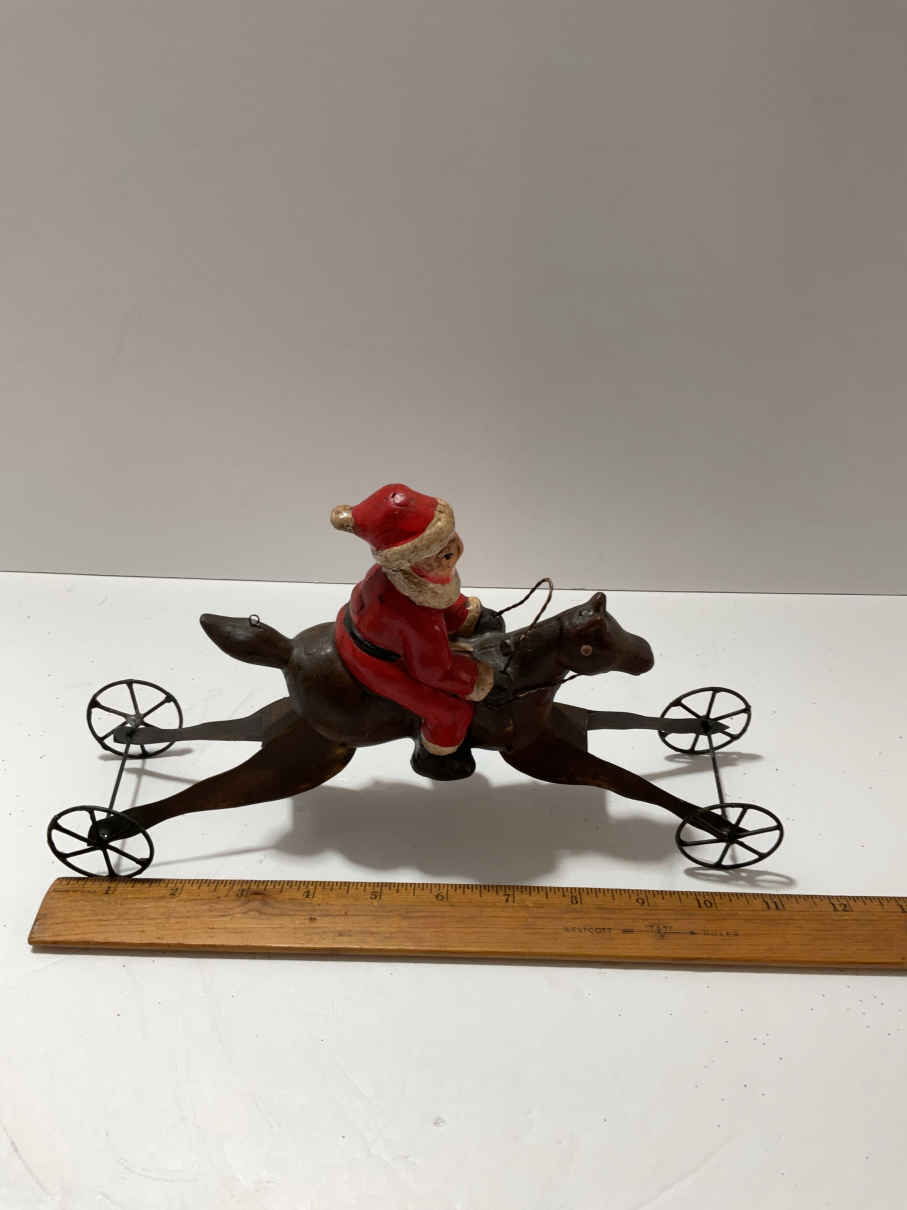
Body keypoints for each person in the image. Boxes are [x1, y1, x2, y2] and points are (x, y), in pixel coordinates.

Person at [330, 483, 503, 780]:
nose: (449, 551)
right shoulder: (411, 613)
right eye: (430, 550)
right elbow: (433, 670)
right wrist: (477, 677)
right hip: (374, 660)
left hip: (365, 621)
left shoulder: (414, 579)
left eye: (447, 538)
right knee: (451, 713)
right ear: (404, 560)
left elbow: (438, 596)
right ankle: (435, 757)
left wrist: (463, 613)